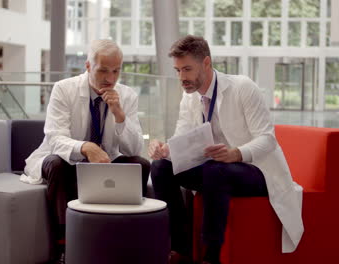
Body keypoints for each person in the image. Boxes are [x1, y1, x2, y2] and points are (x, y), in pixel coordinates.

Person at [149, 35, 304, 264]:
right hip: (216, 170)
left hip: (256, 170)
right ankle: (180, 249)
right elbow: (181, 138)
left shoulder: (242, 87)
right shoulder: (189, 97)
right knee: (161, 167)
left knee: (216, 170)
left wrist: (236, 154)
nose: (182, 77)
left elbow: (267, 139)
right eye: (178, 70)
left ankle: (211, 257)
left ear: (206, 63)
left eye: (187, 69)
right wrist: (164, 149)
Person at [20, 39, 150, 263]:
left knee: (141, 164)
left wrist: (120, 116)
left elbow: (134, 148)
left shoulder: (127, 96)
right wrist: (85, 147)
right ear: (88, 66)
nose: (110, 79)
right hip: (66, 162)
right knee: (57, 164)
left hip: (105, 162)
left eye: (116, 71)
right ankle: (65, 244)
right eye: (103, 71)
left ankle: (123, 234)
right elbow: (54, 137)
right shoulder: (64, 89)